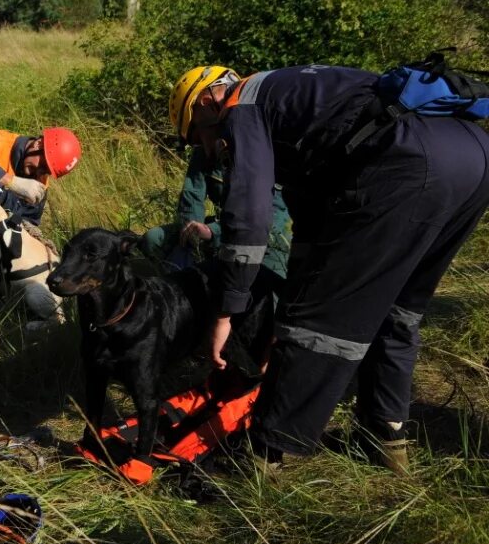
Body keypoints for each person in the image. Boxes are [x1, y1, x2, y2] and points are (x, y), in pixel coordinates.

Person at [172, 63, 489, 474]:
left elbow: (249, 219)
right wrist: (287, 305)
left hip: (409, 163)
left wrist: (226, 311)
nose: (207, 150)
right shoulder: (294, 93)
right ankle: (384, 441)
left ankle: (262, 457)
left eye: (198, 136)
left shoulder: (242, 105)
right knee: (396, 310)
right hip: (473, 156)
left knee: (318, 321)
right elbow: (314, 221)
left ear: (204, 102)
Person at [140, 67, 291, 277]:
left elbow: (274, 218)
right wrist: (192, 233)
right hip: (224, 229)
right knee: (153, 239)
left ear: (206, 105)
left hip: (269, 234)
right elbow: (191, 199)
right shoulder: (206, 150)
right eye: (194, 139)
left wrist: (214, 233)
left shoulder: (258, 138)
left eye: (198, 131)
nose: (201, 142)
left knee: (265, 278)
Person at [0, 126, 82, 225]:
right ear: (38, 144)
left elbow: (28, 222)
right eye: (42, 165)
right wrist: (9, 181)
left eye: (47, 171)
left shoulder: (39, 187)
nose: (40, 172)